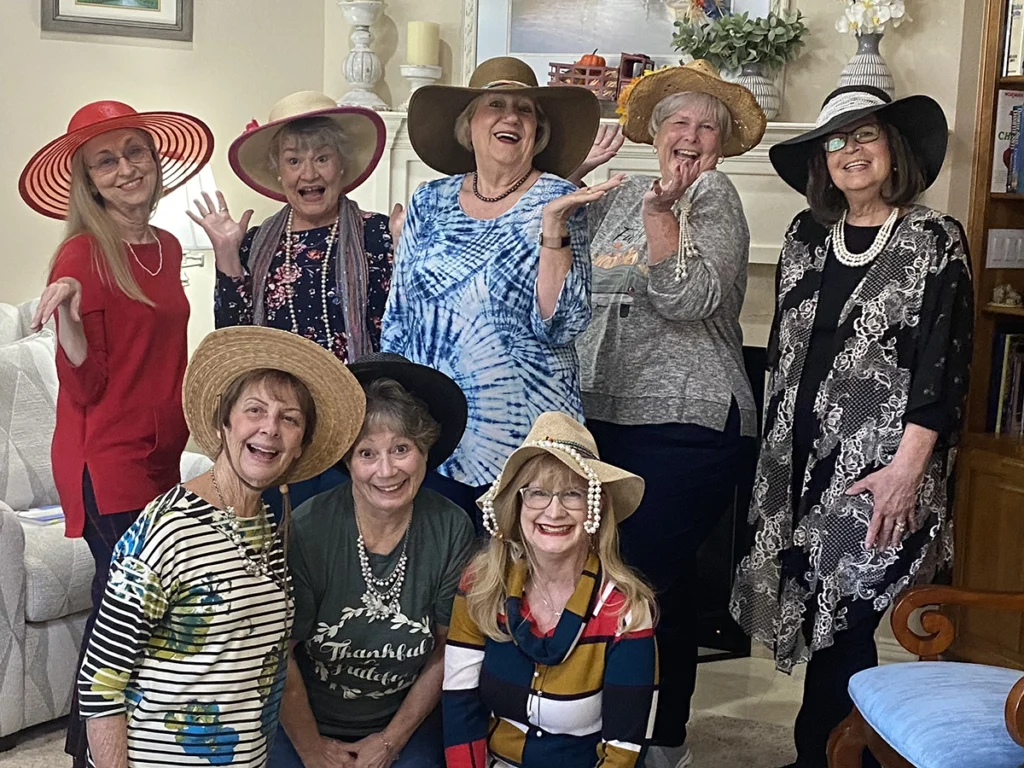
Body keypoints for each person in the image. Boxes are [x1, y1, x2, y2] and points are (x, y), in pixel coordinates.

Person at [730, 85, 974, 768]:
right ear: (821, 163)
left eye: (865, 135)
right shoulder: (807, 240)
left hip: (883, 470)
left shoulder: (933, 239)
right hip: (796, 467)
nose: (851, 151)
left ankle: (837, 757)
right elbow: (782, 351)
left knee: (851, 621)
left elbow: (945, 363)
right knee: (818, 619)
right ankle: (825, 753)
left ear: (894, 152)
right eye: (836, 141)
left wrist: (907, 471)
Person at [567, 60, 767, 766]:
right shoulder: (615, 195)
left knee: (644, 582)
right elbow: (558, 278)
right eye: (678, 122)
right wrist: (571, 179)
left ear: (720, 146)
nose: (691, 136)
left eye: (707, 127)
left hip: (688, 421)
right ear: (652, 134)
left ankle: (657, 739)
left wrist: (662, 214)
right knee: (618, 583)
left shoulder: (713, 197)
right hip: (599, 415)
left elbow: (690, 300)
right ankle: (615, 728)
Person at [18, 99, 214, 767]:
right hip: (105, 457)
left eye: (137, 152)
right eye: (108, 160)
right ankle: (92, 755)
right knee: (124, 612)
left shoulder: (163, 246)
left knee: (121, 611)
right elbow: (86, 386)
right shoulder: (80, 252)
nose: (126, 168)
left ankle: (99, 747)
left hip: (160, 455)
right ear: (89, 180)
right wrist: (68, 321)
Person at [76, 325, 366, 767]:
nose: (270, 428)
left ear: (300, 445)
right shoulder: (168, 528)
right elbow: (100, 682)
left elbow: (271, 660)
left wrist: (314, 753)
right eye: (255, 410)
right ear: (224, 421)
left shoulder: (267, 524)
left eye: (290, 419)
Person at [381, 56, 622, 531]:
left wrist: (553, 229)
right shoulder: (429, 199)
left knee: (519, 588)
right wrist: (392, 419)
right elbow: (399, 317)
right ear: (468, 125)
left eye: (525, 110)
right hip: (438, 433)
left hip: (529, 439)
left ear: (539, 132)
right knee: (444, 583)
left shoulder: (558, 199)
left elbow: (563, 324)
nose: (511, 117)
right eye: (495, 104)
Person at [190, 90, 395, 513]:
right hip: (279, 429)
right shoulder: (252, 243)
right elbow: (235, 341)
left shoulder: (378, 236)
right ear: (278, 172)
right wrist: (227, 256)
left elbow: (397, 334)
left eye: (322, 157)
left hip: (360, 422)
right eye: (294, 160)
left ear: (342, 166)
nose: (308, 173)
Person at [273, 353, 475, 768]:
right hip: (306, 720)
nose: (386, 471)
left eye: (401, 449)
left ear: (424, 451)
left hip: (403, 720)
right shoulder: (310, 528)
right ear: (347, 461)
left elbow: (445, 649)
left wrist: (389, 741)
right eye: (367, 453)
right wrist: (313, 750)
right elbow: (280, 654)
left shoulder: (451, 527)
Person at [443, 411, 658, 767]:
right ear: (517, 504)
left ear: (595, 509)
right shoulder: (480, 586)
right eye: (538, 493)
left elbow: (624, 751)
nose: (553, 511)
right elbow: (459, 709)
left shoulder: (626, 611)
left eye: (572, 494)